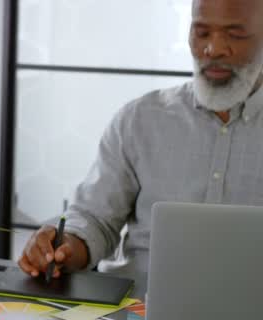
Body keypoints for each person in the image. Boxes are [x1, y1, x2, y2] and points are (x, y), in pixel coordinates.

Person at [19, 0, 263, 279]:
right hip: (137, 305)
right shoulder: (140, 119)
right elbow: (95, 219)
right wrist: (64, 248)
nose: (214, 49)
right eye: (202, 32)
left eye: (236, 34)